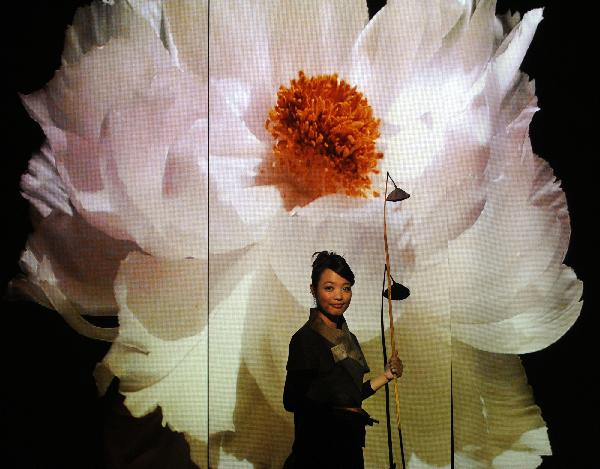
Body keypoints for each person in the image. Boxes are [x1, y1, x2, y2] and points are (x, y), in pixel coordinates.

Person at [282, 251, 403, 469]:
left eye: (345, 288)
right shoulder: (305, 339)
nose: (339, 296)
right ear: (314, 290)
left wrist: (386, 376)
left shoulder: (349, 339)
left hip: (349, 449)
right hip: (317, 453)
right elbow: (292, 400)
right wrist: (343, 415)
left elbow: (350, 396)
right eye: (329, 288)